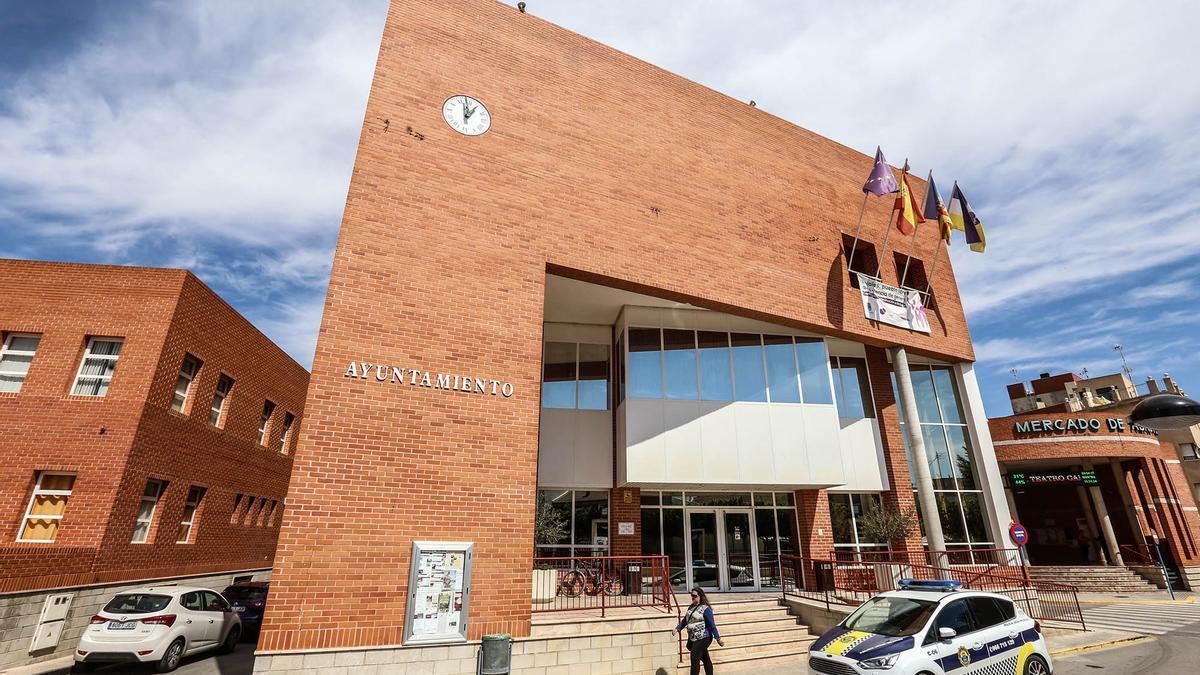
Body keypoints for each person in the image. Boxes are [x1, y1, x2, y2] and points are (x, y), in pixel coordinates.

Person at [673, 587, 724, 675]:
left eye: (694, 596)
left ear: (700, 596)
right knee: (705, 657)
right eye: (691, 596)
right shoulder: (691, 607)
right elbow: (686, 620)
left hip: (704, 637)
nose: (692, 597)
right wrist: (677, 628)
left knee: (694, 657)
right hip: (693, 637)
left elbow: (712, 625)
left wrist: (718, 638)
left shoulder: (706, 609)